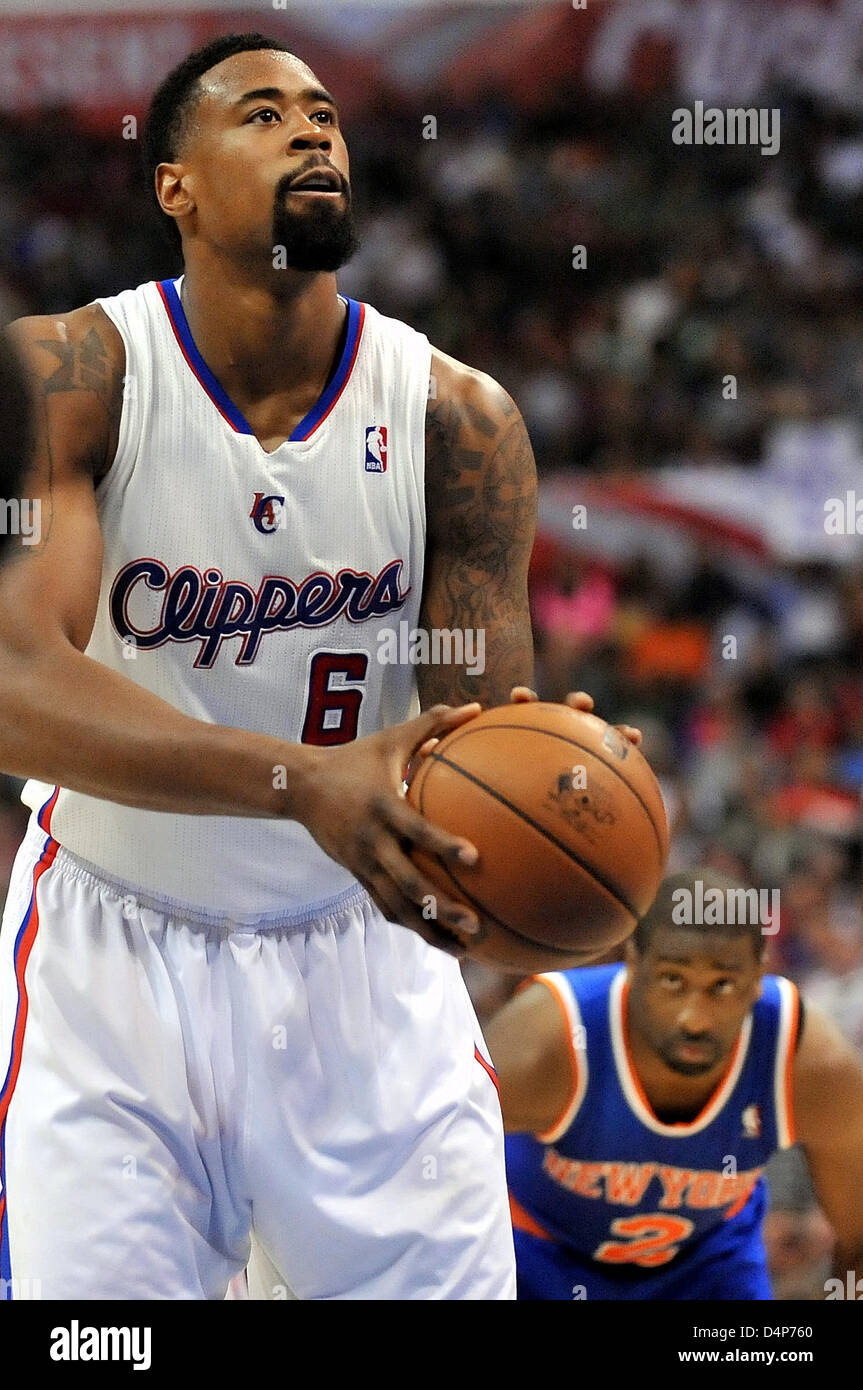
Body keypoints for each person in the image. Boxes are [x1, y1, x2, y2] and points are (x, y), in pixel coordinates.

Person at [0, 30, 570, 1301]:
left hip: (360, 965)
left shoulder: (455, 420)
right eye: (262, 114)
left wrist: (551, 791)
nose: (313, 131)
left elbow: (473, 735)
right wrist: (294, 780)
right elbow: (10, 685)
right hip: (117, 960)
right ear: (174, 187)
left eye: (323, 113)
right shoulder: (70, 376)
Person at [487, 869, 863, 1299]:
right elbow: (426, 1179)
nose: (694, 1019)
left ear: (759, 976)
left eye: (721, 986)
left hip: (705, 1269)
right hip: (539, 1257)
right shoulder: (551, 1038)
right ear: (632, 963)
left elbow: (859, 1242)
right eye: (672, 980)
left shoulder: (807, 1060)